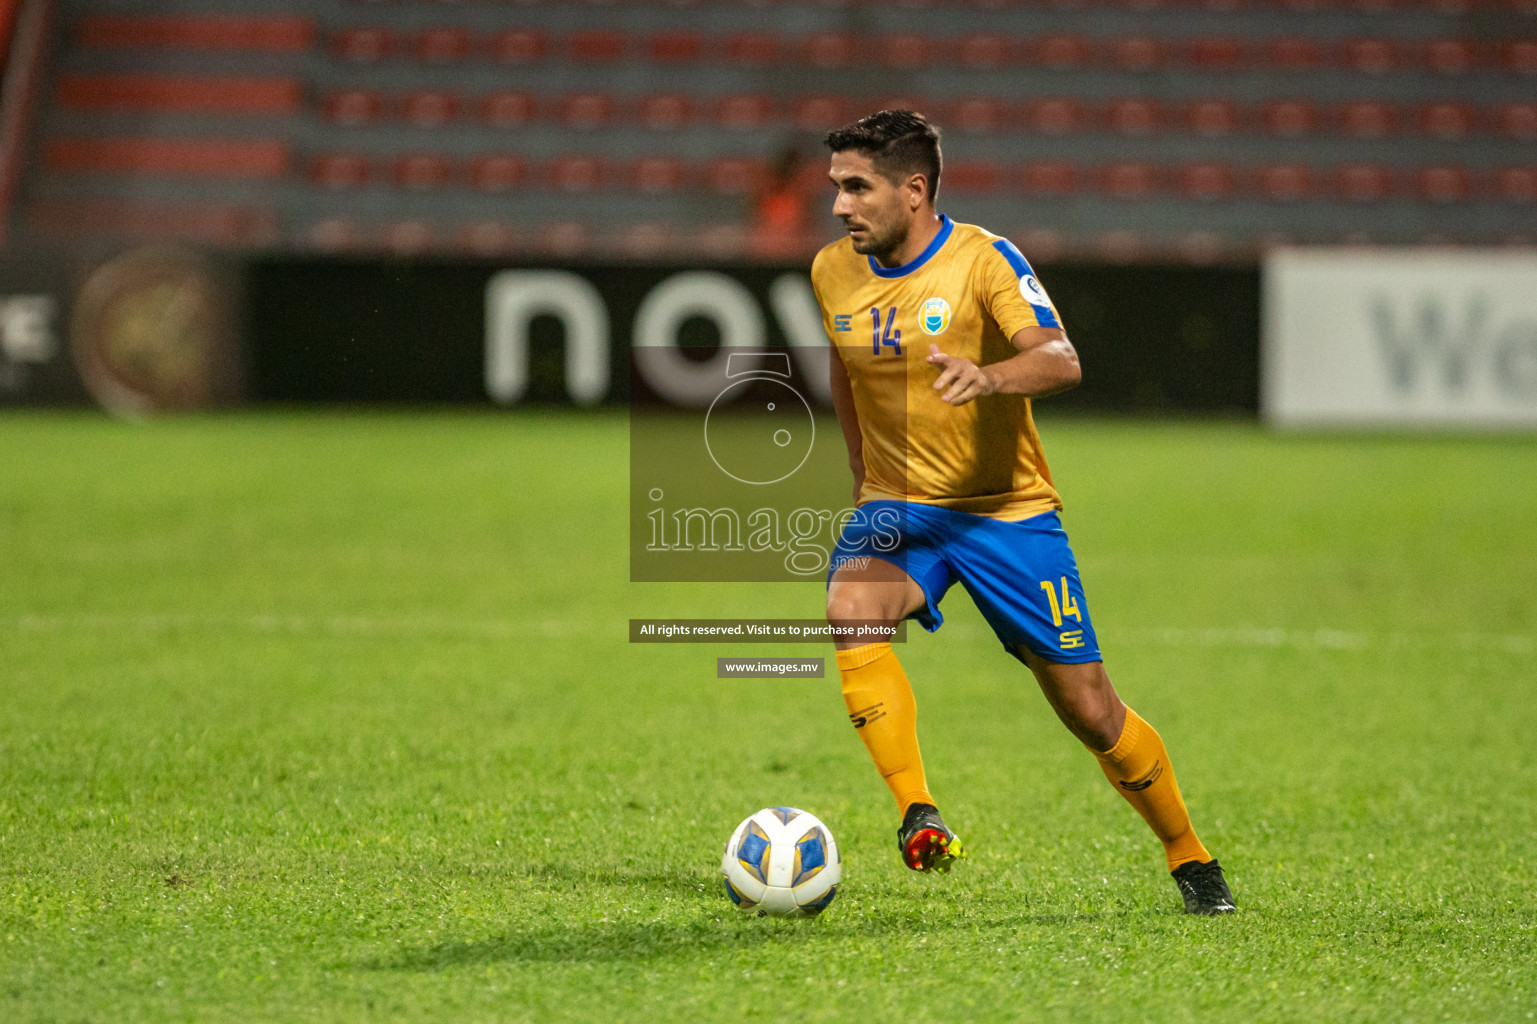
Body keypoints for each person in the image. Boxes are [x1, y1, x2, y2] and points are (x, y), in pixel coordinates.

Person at [810, 110, 1235, 915]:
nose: (839, 205)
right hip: (900, 509)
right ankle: (916, 811)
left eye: (856, 187)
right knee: (850, 606)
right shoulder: (832, 270)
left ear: (914, 189)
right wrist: (862, 472)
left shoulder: (984, 260)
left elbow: (1059, 358)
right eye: (835, 187)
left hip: (1004, 512)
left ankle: (1189, 856)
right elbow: (843, 364)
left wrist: (991, 377)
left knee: (1089, 708)